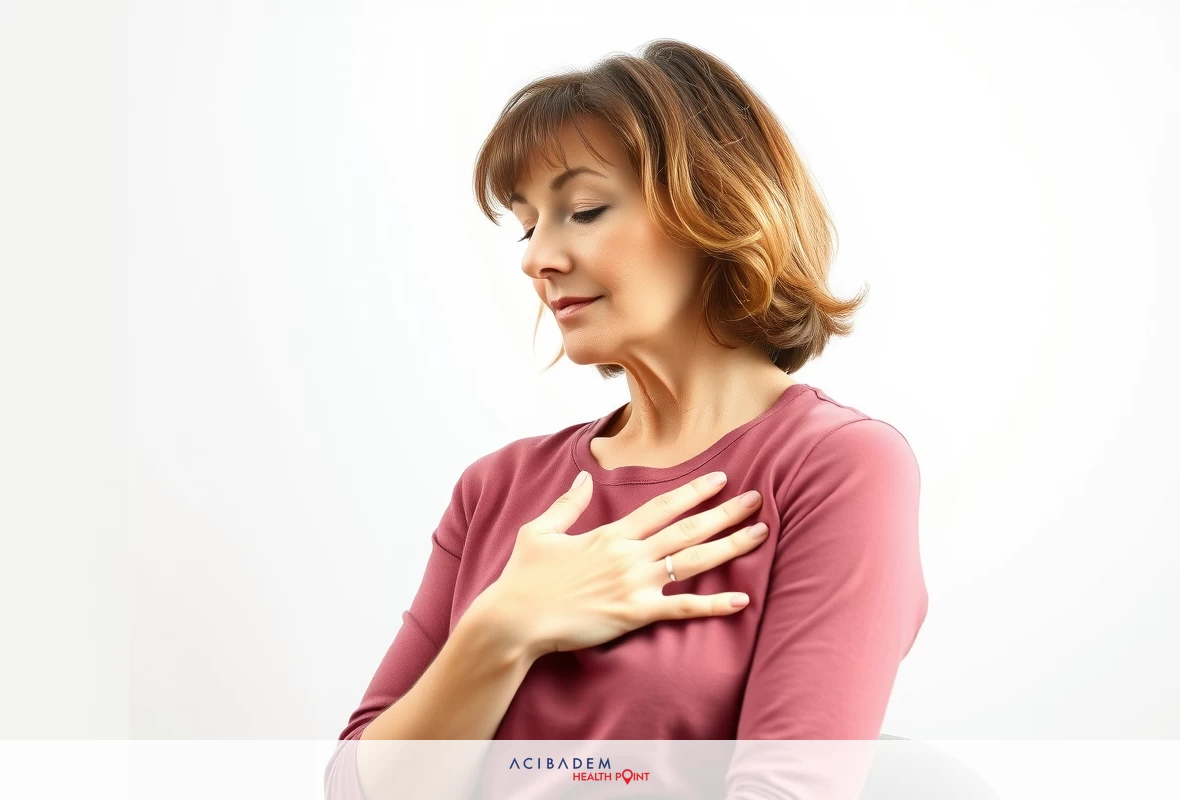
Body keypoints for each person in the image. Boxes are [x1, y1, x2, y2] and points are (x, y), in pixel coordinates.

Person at [326, 39, 928, 800]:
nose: (535, 257)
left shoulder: (839, 467)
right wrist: (504, 626)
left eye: (583, 210)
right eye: (525, 224)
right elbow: (357, 788)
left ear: (716, 208)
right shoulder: (497, 488)